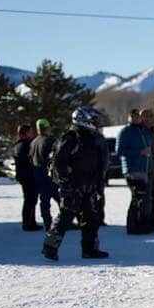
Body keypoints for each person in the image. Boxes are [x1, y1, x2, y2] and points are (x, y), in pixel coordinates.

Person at [42, 107, 109, 260]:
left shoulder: (92, 138)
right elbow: (59, 162)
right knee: (66, 215)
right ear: (84, 120)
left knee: (91, 217)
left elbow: (97, 162)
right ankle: (49, 247)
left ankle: (90, 249)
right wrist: (65, 182)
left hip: (89, 185)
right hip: (73, 185)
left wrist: (99, 183)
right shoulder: (70, 137)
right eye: (94, 120)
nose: (97, 123)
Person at [115, 108, 154, 234]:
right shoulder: (125, 131)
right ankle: (133, 226)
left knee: (143, 198)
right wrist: (139, 152)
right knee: (137, 197)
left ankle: (142, 224)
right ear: (129, 117)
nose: (135, 118)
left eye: (137, 116)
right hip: (132, 169)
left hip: (144, 169)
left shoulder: (143, 131)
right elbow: (120, 151)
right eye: (133, 116)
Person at [28, 118, 58, 231]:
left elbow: (30, 158)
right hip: (49, 174)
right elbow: (55, 157)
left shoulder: (34, 142)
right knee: (60, 198)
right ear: (47, 128)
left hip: (38, 174)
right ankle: (65, 221)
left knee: (44, 200)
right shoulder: (49, 140)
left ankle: (47, 222)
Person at [13, 123, 40, 230]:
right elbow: (28, 161)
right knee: (30, 199)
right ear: (26, 133)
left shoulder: (20, 144)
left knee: (30, 199)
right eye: (30, 131)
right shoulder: (25, 145)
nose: (32, 133)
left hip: (25, 176)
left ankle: (30, 222)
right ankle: (28, 223)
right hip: (28, 176)